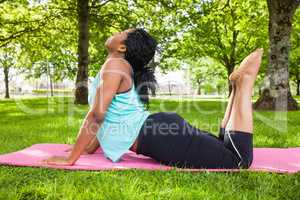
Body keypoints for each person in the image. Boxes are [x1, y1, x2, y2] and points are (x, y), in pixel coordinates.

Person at [42, 28, 263, 169]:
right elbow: (109, 115)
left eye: (122, 32)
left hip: (160, 135)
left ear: (122, 47)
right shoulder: (115, 67)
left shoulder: (115, 65)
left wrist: (72, 157)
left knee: (239, 161)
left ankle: (244, 84)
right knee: (224, 147)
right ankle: (236, 87)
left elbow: (97, 115)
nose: (116, 31)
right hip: (160, 131)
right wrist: (88, 148)